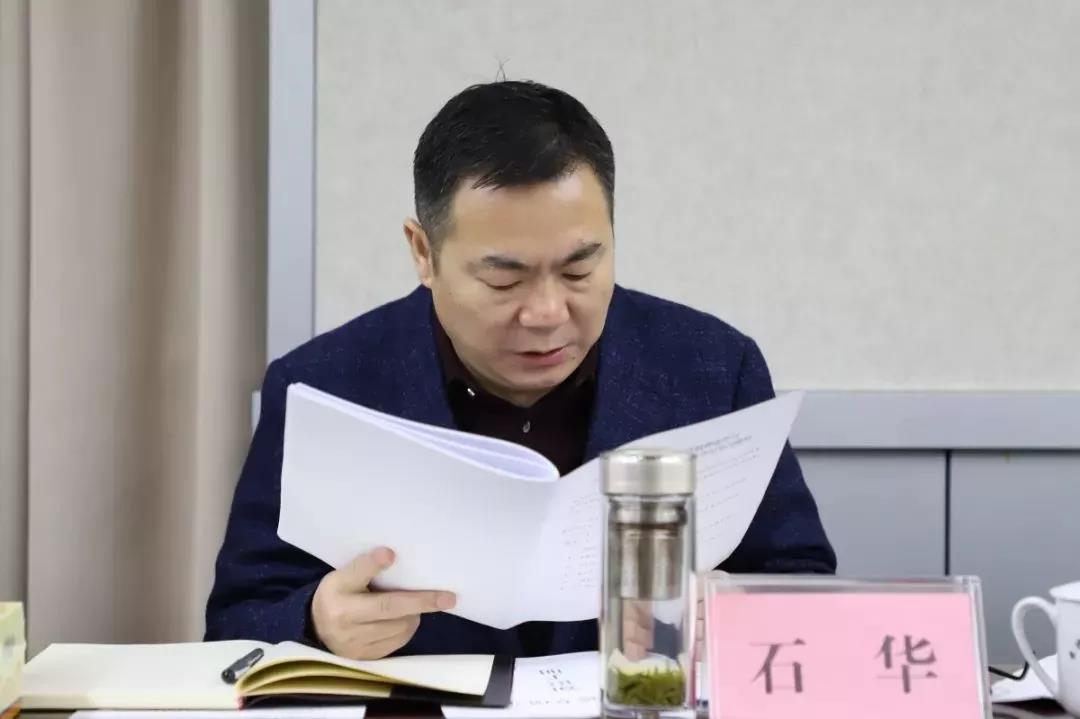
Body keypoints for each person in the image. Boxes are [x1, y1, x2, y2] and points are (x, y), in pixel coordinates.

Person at [205, 80, 836, 660]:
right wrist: (318, 621)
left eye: (579, 270)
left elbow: (802, 586)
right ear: (423, 252)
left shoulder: (712, 368)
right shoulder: (325, 386)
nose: (547, 313)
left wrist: (727, 613)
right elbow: (234, 626)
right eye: (504, 279)